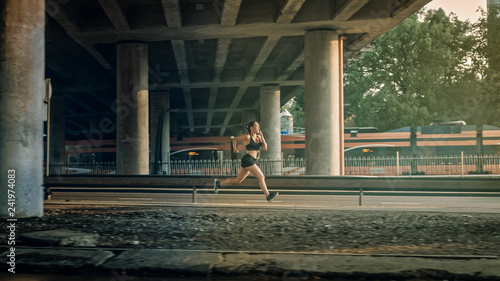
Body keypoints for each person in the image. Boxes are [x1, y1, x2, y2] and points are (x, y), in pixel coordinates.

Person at [214, 121, 279, 202]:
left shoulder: (259, 137)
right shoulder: (247, 137)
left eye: (259, 126)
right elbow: (235, 139)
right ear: (251, 128)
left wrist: (263, 139)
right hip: (248, 160)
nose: (258, 128)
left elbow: (265, 148)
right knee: (261, 176)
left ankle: (219, 183)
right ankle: (268, 195)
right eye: (256, 126)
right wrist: (234, 148)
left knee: (238, 180)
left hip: (251, 161)